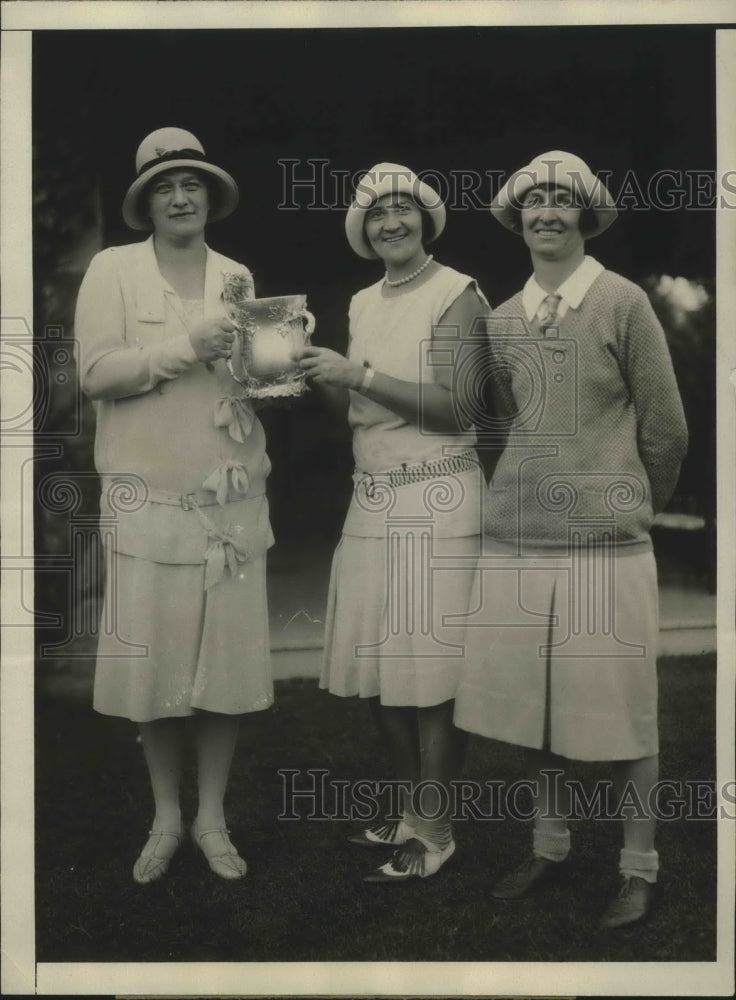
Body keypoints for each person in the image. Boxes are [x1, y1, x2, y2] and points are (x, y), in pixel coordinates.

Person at [453, 151, 688, 927]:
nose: (547, 212)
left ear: (585, 215)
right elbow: (506, 426)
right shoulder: (502, 319)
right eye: (534, 202)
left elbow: (667, 428)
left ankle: (638, 867)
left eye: (562, 200)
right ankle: (548, 847)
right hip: (519, 540)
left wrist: (627, 502)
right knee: (537, 712)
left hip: (606, 547)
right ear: (518, 220)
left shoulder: (623, 303)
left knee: (625, 714)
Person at [75, 127, 274, 884]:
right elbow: (96, 373)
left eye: (191, 183)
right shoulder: (112, 269)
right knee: (154, 674)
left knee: (223, 670)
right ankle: (165, 816)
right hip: (147, 499)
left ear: (209, 196)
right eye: (165, 186)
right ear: (146, 201)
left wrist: (276, 364)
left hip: (230, 498)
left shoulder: (237, 274)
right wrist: (186, 346)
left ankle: (212, 818)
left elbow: (245, 385)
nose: (181, 196)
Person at [295, 163, 490, 881]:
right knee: (379, 672)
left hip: (438, 498)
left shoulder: (457, 292)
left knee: (429, 672)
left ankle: (436, 831)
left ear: (426, 220)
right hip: (371, 496)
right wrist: (305, 376)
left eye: (405, 210)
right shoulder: (360, 301)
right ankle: (410, 811)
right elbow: (357, 409)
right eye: (379, 214)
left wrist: (359, 376)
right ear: (364, 229)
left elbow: (459, 405)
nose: (392, 223)